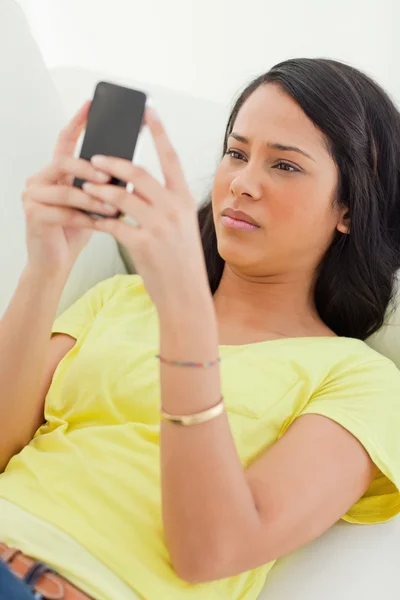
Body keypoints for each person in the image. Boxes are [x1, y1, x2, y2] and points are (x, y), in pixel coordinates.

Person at [0, 57, 400, 600]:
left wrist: (186, 317)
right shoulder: (122, 298)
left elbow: (210, 552)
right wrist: (48, 268)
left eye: (284, 165)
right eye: (236, 153)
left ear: (350, 207)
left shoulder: (360, 380)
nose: (241, 183)